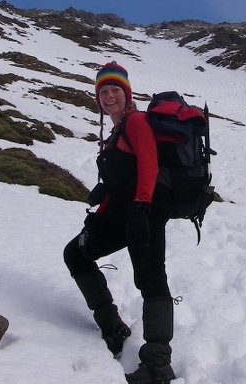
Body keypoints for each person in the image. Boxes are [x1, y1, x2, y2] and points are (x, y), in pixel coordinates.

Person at [63, 61, 176, 384]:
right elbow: (117, 187)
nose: (109, 96)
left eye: (115, 90)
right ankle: (112, 326)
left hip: (147, 210)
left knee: (151, 279)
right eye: (103, 91)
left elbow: (149, 166)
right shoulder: (115, 131)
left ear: (127, 94)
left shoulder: (137, 122)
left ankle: (158, 365)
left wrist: (141, 209)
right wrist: (96, 222)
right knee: (76, 253)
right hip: (125, 211)